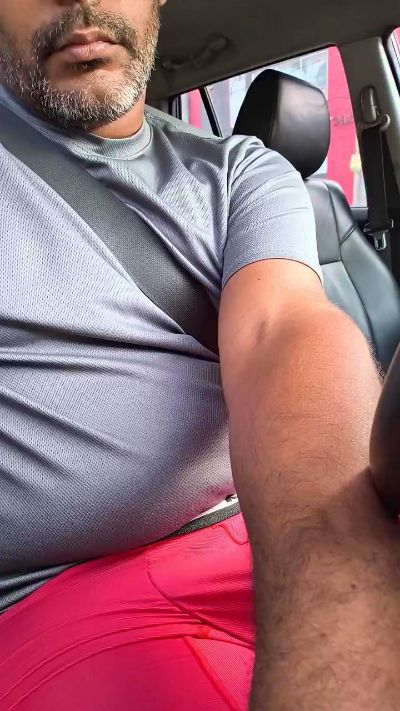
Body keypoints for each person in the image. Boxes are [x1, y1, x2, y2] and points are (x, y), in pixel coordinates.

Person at [0, 1, 399, 709]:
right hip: (64, 597)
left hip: (264, 529)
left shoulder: (242, 172)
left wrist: (340, 570)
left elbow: (279, 330)